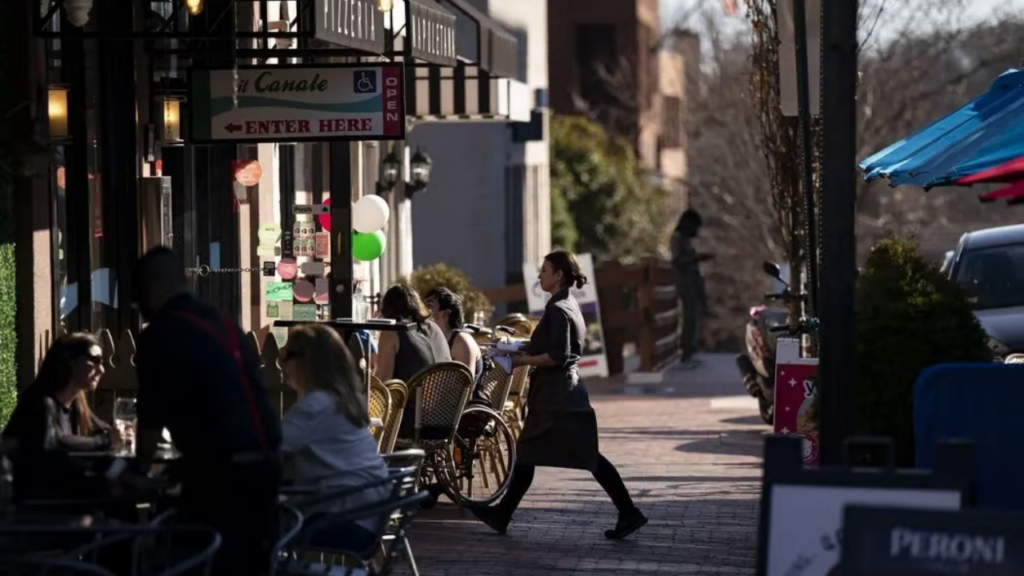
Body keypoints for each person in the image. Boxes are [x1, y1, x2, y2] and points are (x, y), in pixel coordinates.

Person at [124, 246, 282, 576]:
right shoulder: (224, 325)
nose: (141, 311)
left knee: (193, 560)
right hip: (266, 468)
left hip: (221, 478)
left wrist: (139, 471)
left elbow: (151, 413)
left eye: (138, 302)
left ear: (151, 290)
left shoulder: (162, 333)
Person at [470, 250, 647, 540]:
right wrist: (516, 345)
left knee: (570, 455)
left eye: (544, 270)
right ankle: (503, 514)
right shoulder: (567, 304)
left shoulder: (558, 309)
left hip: (558, 397)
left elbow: (558, 355)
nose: (540, 275)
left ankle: (629, 512)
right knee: (533, 453)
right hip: (563, 393)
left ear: (559, 275)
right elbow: (551, 345)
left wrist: (520, 361)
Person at [280, 324, 389, 558]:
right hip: (367, 519)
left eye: (288, 355)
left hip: (343, 520)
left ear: (309, 362)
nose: (281, 362)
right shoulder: (343, 402)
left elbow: (267, 447)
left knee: (247, 527)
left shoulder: (317, 405)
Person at [2, 333, 124, 502]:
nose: (101, 369)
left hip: (64, 497)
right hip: (37, 507)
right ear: (70, 360)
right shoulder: (41, 402)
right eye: (94, 360)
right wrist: (105, 441)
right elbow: (54, 443)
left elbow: (105, 431)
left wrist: (122, 434)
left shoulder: (76, 404)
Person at [375, 285, 451, 438]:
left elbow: (382, 387)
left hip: (410, 425)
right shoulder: (434, 328)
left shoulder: (392, 332)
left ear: (387, 309)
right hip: (446, 421)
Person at [670, 209, 713, 369]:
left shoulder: (687, 240)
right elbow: (677, 261)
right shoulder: (677, 238)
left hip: (693, 283)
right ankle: (685, 353)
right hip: (684, 283)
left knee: (694, 318)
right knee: (689, 318)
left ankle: (691, 351)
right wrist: (696, 258)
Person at [424, 287, 483, 386]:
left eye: (429, 305)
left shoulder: (461, 342)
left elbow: (464, 387)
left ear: (446, 313)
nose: (422, 310)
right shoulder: (432, 340)